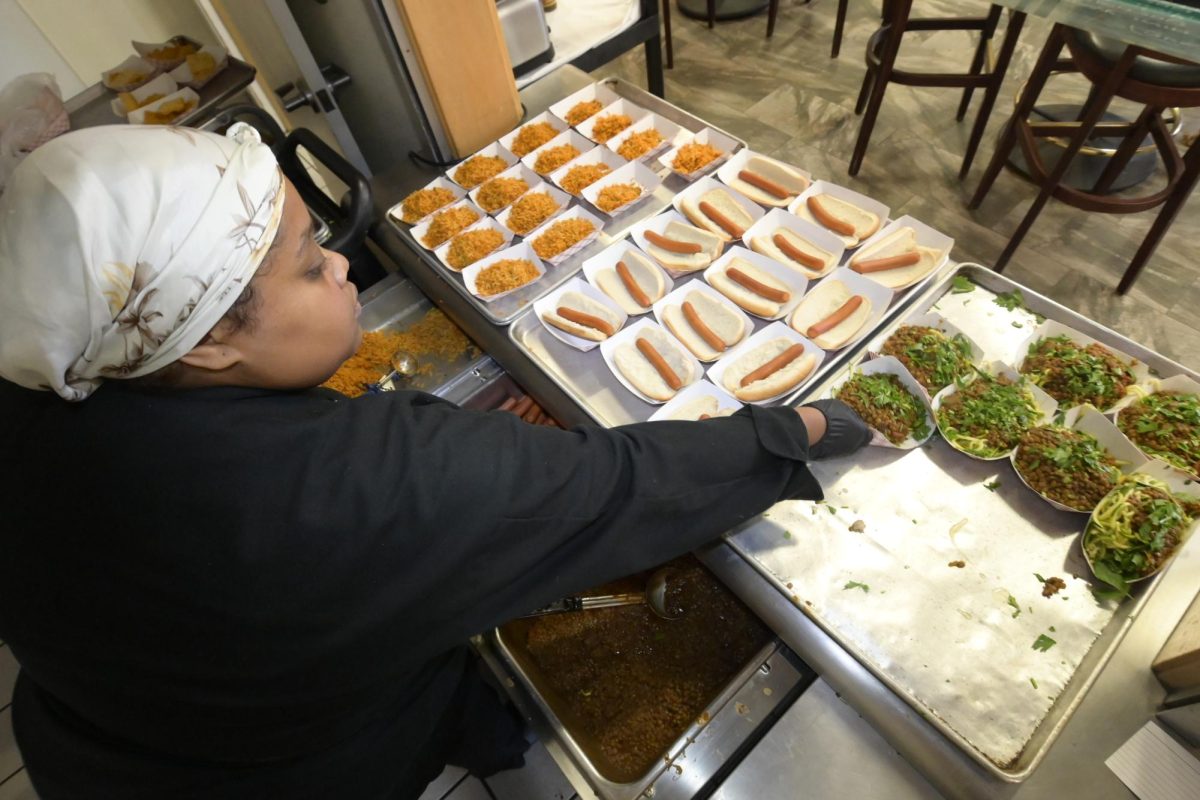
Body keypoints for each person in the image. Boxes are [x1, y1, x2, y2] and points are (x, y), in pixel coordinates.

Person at [0, 125, 870, 799]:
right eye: (310, 266)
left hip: (100, 746)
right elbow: (617, 488)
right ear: (210, 341)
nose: (344, 266)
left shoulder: (49, 386)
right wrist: (790, 432)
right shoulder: (359, 487)